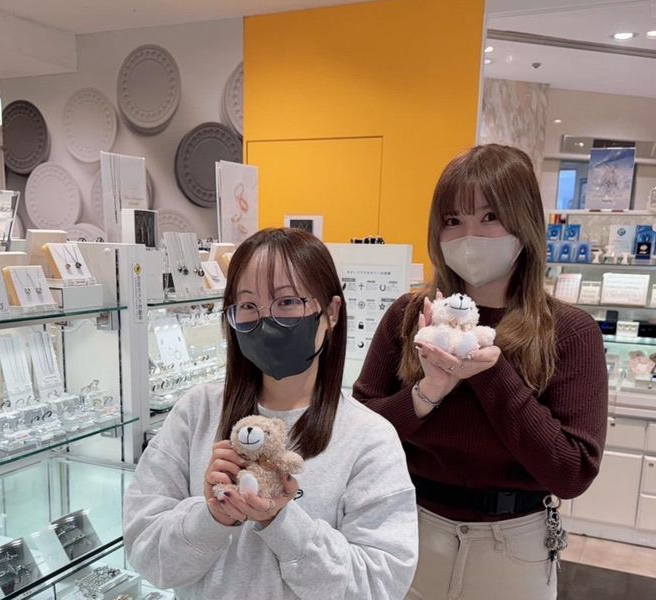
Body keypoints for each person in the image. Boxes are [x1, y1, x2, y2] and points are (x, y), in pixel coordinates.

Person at [354, 144, 608, 600]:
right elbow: (359, 434)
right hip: (409, 526)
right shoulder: (408, 317)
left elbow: (572, 472)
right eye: (452, 220)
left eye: (489, 217)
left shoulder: (569, 332)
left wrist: (489, 372)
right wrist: (426, 393)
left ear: (524, 223)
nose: (468, 236)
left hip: (514, 545)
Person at [124, 228, 418, 600]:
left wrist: (281, 521)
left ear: (331, 312)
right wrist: (211, 517)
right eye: (248, 306)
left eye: (287, 302)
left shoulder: (369, 437)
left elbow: (379, 585)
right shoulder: (196, 412)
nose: (265, 321)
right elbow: (144, 552)